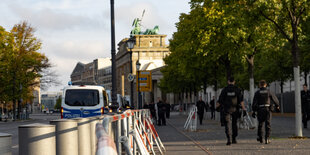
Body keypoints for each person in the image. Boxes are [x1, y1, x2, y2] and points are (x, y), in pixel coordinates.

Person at [218, 77, 246, 145]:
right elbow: (241, 101)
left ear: (228, 81)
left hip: (226, 109)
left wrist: (217, 107)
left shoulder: (224, 90)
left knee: (227, 123)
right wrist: (244, 109)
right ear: (234, 82)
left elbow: (220, 100)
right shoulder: (237, 90)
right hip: (235, 109)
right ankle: (234, 138)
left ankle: (229, 139)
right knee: (234, 123)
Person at [252, 80, 280, 144]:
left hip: (260, 109)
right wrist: (277, 106)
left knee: (260, 124)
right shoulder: (269, 92)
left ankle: (260, 137)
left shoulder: (257, 93)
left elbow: (254, 103)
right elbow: (275, 100)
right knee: (268, 124)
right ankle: (267, 138)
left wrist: (254, 111)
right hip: (268, 109)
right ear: (266, 85)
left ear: (259, 85)